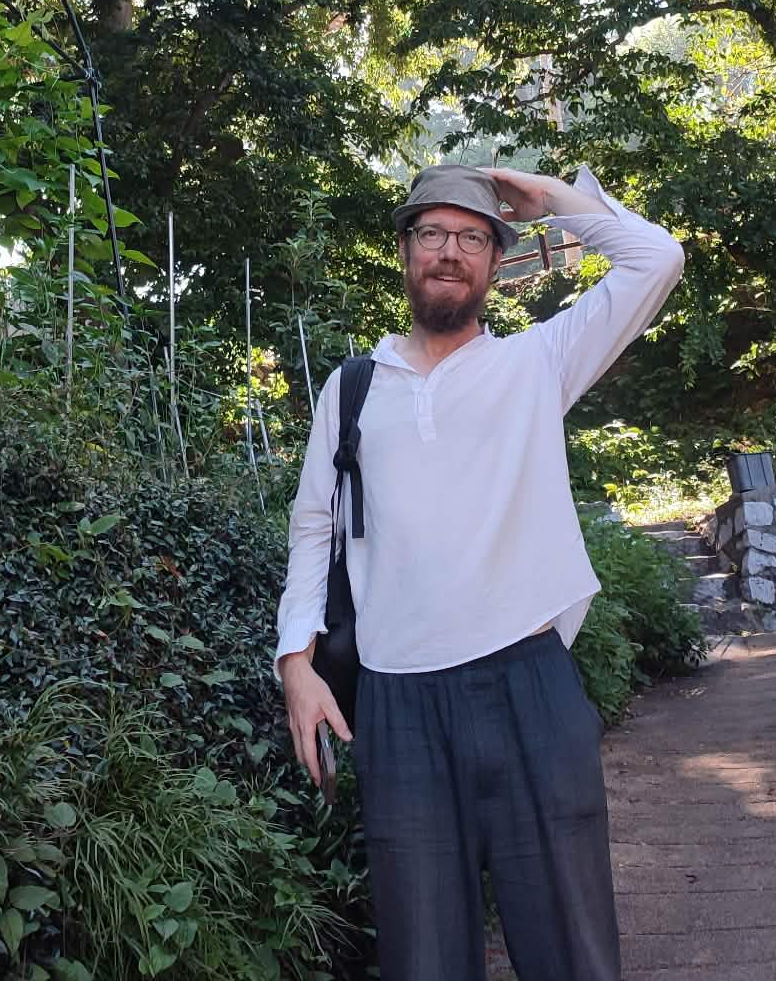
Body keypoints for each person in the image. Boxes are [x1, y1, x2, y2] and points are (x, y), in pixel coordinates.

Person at [274, 164, 684, 981]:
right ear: (405, 250)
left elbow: (656, 259)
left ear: (497, 262)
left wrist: (551, 202)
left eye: (471, 237)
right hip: (398, 707)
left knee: (572, 951)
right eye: (432, 232)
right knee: (423, 959)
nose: (450, 251)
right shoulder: (352, 389)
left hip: (529, 688)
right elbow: (312, 526)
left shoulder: (539, 365)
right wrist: (297, 666)